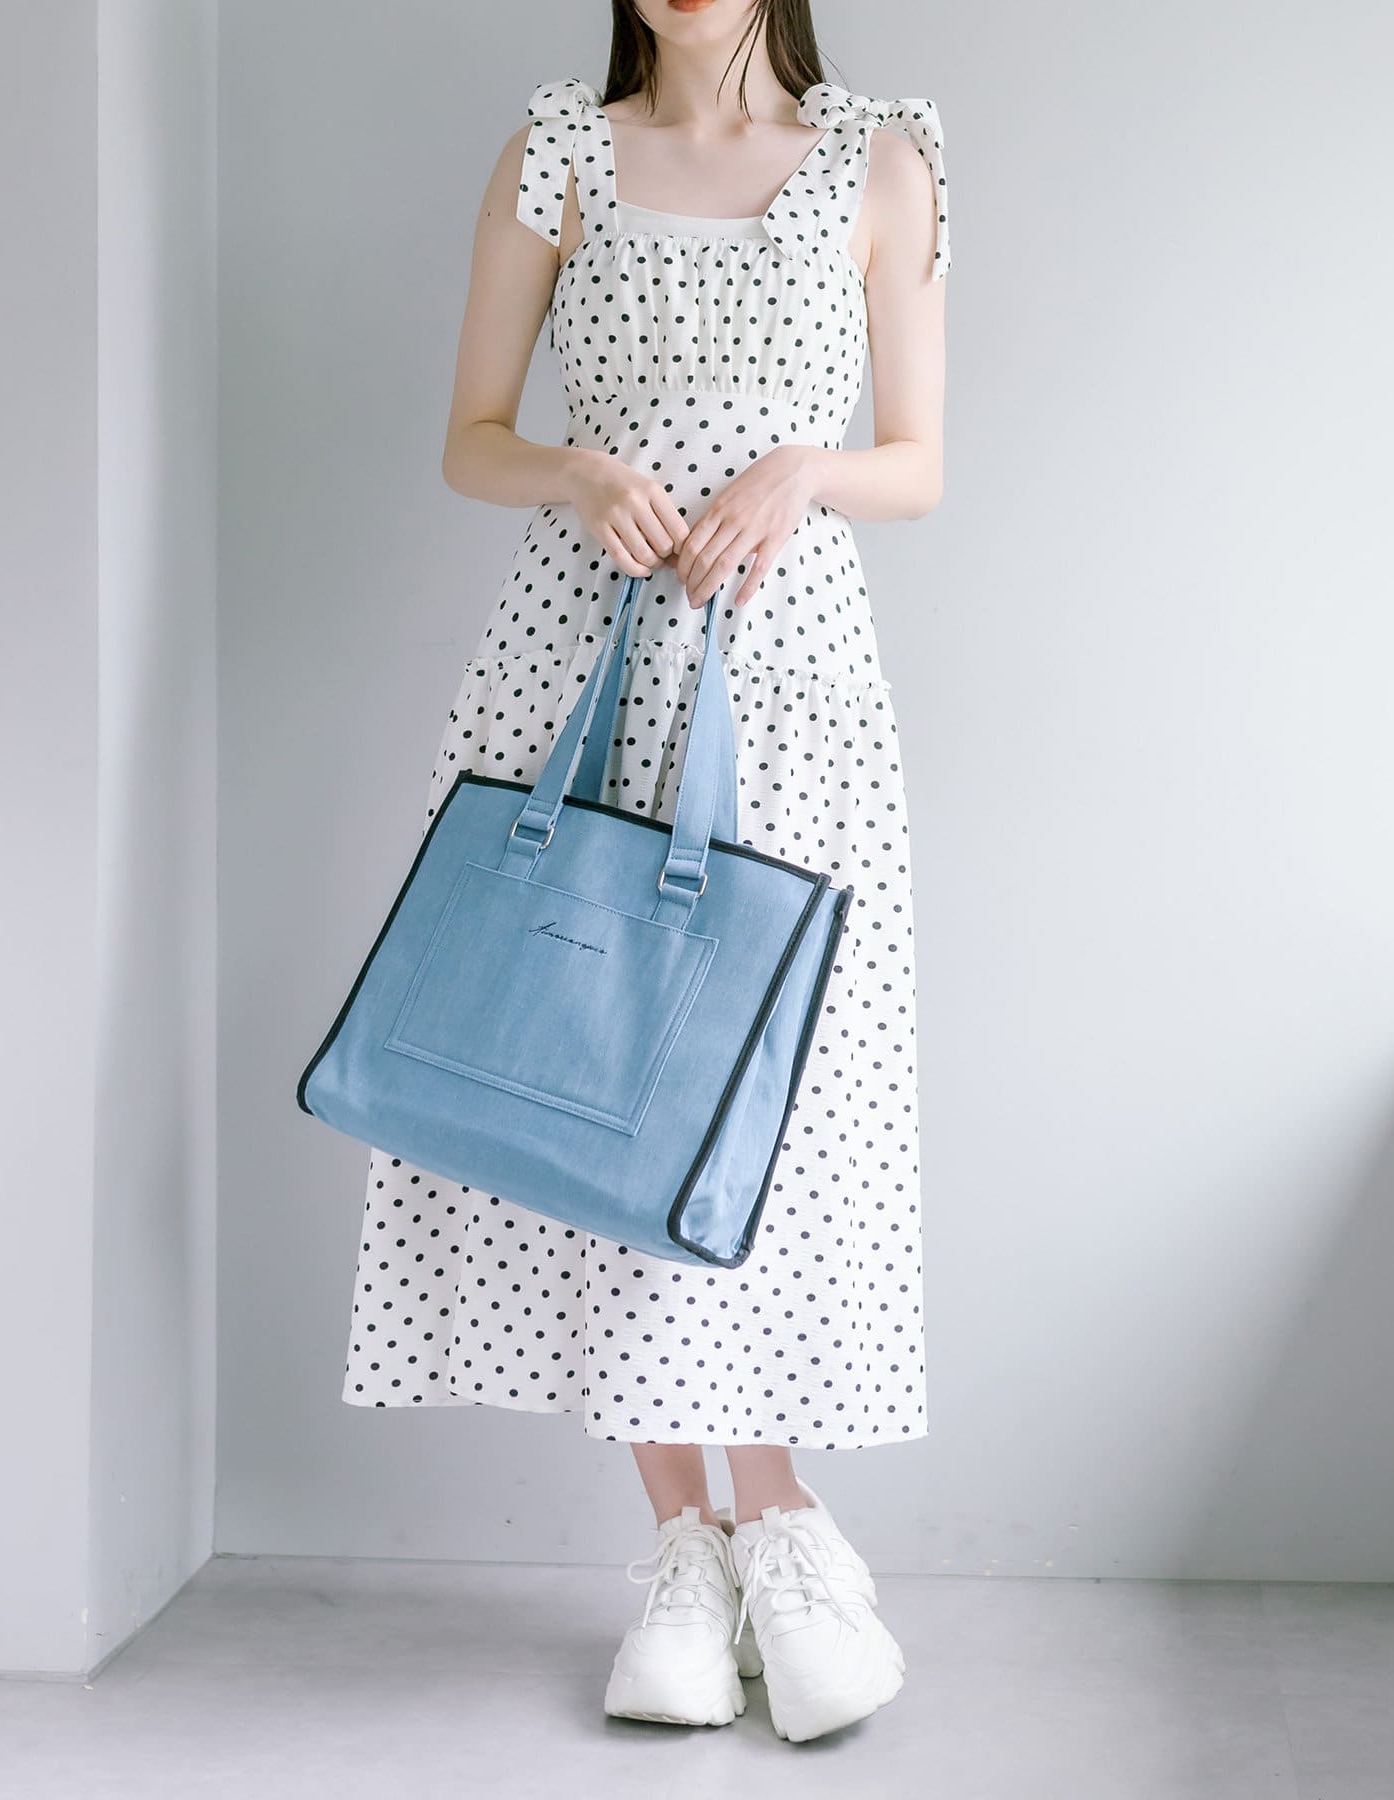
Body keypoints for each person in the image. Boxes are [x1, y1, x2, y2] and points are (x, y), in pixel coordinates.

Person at [342, 0, 948, 1743]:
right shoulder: (557, 155)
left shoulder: (883, 162)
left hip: (793, 682)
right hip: (580, 663)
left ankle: (772, 1533)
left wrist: (803, 471)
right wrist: (576, 469)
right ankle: (703, 1547)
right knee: (589, 1083)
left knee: (758, 1103)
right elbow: (471, 436)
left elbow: (919, 464)